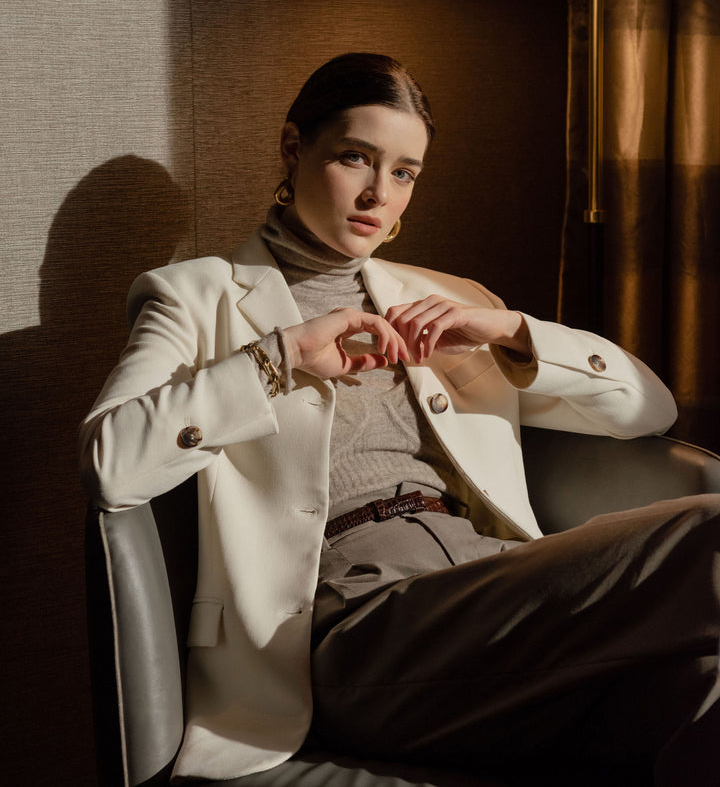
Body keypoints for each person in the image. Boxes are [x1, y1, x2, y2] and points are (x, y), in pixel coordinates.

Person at [80, 53, 720, 785]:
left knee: (705, 691)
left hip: (497, 590)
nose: (378, 194)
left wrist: (509, 328)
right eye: (356, 159)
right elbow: (109, 463)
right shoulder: (195, 298)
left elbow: (649, 407)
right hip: (359, 627)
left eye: (405, 172)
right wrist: (278, 358)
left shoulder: (444, 297)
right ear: (295, 148)